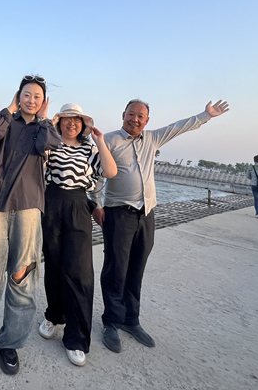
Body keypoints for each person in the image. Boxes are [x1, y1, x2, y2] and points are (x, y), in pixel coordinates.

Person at [94, 98, 230, 353]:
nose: (135, 119)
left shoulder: (153, 138)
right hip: (118, 214)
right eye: (131, 114)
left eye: (140, 116)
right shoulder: (108, 140)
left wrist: (206, 115)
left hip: (146, 215)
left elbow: (178, 127)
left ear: (147, 120)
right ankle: (111, 322)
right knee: (115, 269)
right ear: (123, 114)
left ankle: (131, 320)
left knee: (136, 268)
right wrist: (96, 204)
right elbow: (94, 174)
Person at [0, 76, 62, 376]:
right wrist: (9, 108)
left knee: (23, 275)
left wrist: (44, 118)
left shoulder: (44, 128)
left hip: (28, 208)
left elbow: (49, 144)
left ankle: (10, 344)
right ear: (18, 96)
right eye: (26, 94)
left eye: (37, 96)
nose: (31, 100)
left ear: (43, 101)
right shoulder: (7, 121)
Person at [38, 103, 117, 367]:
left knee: (79, 272)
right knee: (54, 266)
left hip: (78, 205)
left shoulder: (89, 148)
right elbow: (38, 166)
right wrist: (44, 120)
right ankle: (54, 315)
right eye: (67, 119)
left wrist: (100, 141)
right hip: (51, 203)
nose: (72, 123)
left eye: (77, 120)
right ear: (59, 122)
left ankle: (76, 338)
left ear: (83, 125)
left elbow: (110, 171)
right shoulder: (51, 143)